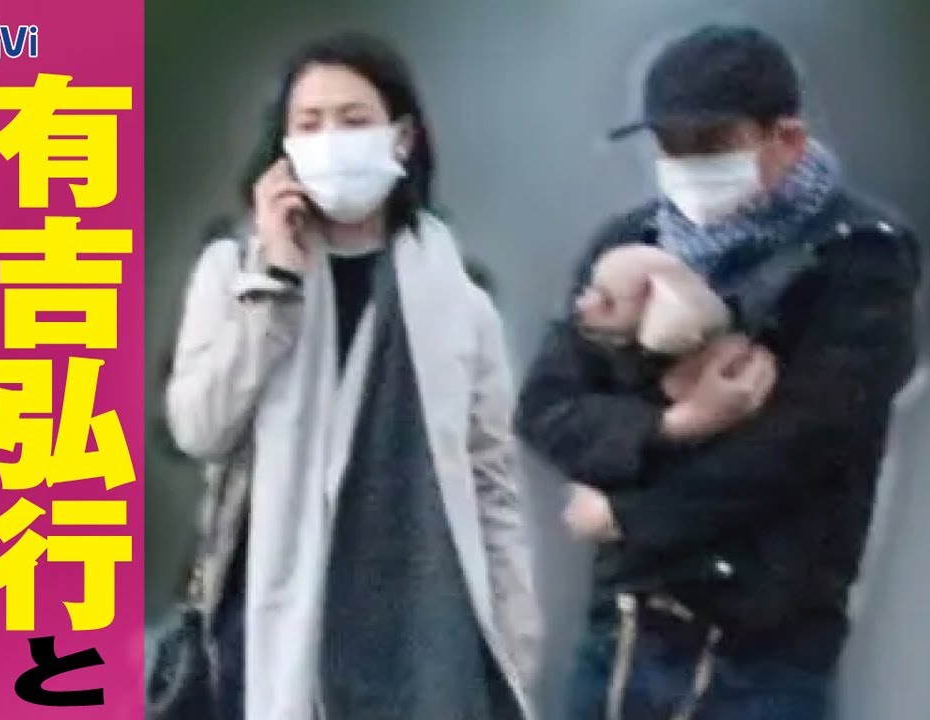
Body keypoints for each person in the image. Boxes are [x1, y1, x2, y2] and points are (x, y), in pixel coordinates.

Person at [512, 25, 921, 720]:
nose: (686, 163)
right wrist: (675, 424)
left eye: (711, 142)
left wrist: (630, 517)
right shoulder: (628, 245)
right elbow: (548, 407)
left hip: (765, 653)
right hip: (624, 636)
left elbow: (805, 445)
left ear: (785, 139)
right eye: (670, 145)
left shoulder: (862, 257)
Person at [166, 31, 541, 720]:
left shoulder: (461, 305)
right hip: (268, 640)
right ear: (284, 149)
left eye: (353, 119)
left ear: (401, 138)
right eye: (309, 124)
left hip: (422, 645)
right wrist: (275, 283)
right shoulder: (233, 273)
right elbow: (198, 429)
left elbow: (493, 485)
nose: (331, 140)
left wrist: (514, 652)